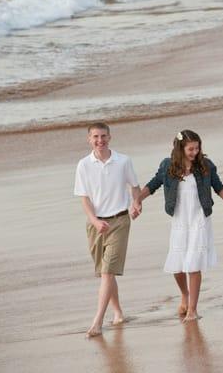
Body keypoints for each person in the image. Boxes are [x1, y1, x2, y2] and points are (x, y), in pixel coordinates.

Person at [134, 130, 223, 322]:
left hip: (199, 219)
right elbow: (153, 184)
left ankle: (193, 309)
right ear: (180, 148)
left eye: (197, 148)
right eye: (190, 149)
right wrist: (138, 200)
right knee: (177, 266)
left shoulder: (206, 165)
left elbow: (219, 187)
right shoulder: (168, 166)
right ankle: (185, 294)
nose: (195, 152)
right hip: (180, 220)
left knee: (194, 264)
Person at [74, 122, 141, 338]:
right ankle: (118, 313)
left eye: (103, 136)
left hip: (119, 221)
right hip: (96, 225)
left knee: (107, 271)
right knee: (105, 273)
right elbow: (84, 198)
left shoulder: (123, 161)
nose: (100, 140)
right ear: (89, 139)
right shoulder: (83, 165)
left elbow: (135, 187)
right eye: (95, 137)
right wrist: (94, 221)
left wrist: (137, 203)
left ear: (110, 137)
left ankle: (98, 321)